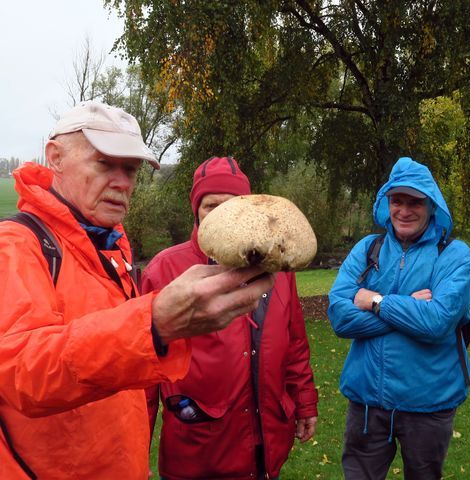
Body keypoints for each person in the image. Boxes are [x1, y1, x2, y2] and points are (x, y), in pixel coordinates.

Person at [0, 101, 274, 479]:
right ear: (55, 157)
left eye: (130, 170)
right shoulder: (16, 245)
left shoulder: (108, 249)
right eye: (104, 163)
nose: (123, 183)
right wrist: (154, 324)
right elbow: (19, 372)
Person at [142, 156, 318, 480]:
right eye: (211, 206)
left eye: (233, 205)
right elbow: (142, 368)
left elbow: (294, 343)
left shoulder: (276, 269)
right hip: (199, 451)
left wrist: (304, 402)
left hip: (265, 446)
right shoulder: (165, 271)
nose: (223, 216)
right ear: (196, 210)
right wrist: (137, 445)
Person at [328, 156, 470, 480]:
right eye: (397, 200)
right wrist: (408, 306)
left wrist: (376, 301)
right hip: (367, 404)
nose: (404, 210)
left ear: (431, 204)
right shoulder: (368, 248)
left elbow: (437, 322)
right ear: (387, 201)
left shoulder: (454, 254)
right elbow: (340, 317)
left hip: (429, 404)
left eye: (414, 202)